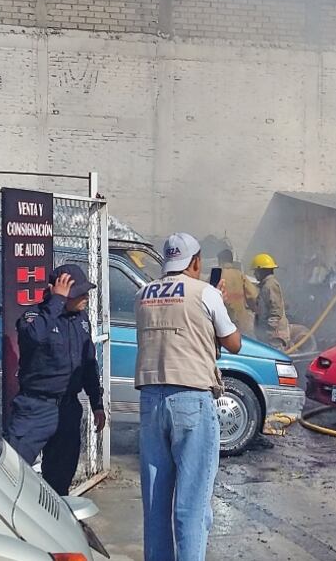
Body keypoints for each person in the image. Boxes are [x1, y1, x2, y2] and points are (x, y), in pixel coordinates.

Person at [136, 233, 242, 561]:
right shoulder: (206, 293)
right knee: (192, 506)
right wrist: (217, 304)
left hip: (151, 400)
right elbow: (233, 343)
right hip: (191, 399)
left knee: (155, 505)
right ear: (195, 262)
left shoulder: (143, 293)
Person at [6, 264, 106, 496]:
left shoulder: (81, 321)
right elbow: (33, 337)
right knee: (10, 473)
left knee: (60, 481)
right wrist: (56, 302)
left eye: (85, 292)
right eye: (78, 292)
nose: (85, 297)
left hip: (68, 409)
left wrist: (96, 403)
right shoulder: (34, 317)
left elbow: (89, 363)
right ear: (58, 293)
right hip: (35, 408)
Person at [251, 253, 290, 349]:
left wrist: (269, 331)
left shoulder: (270, 285)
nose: (254, 274)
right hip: (270, 336)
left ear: (262, 271)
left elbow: (276, 311)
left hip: (274, 337)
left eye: (256, 271)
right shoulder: (265, 285)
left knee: (274, 360)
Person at [216, 249, 256, 336]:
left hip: (224, 323)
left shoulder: (217, 275)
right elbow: (253, 296)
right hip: (241, 322)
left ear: (220, 260)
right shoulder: (240, 275)